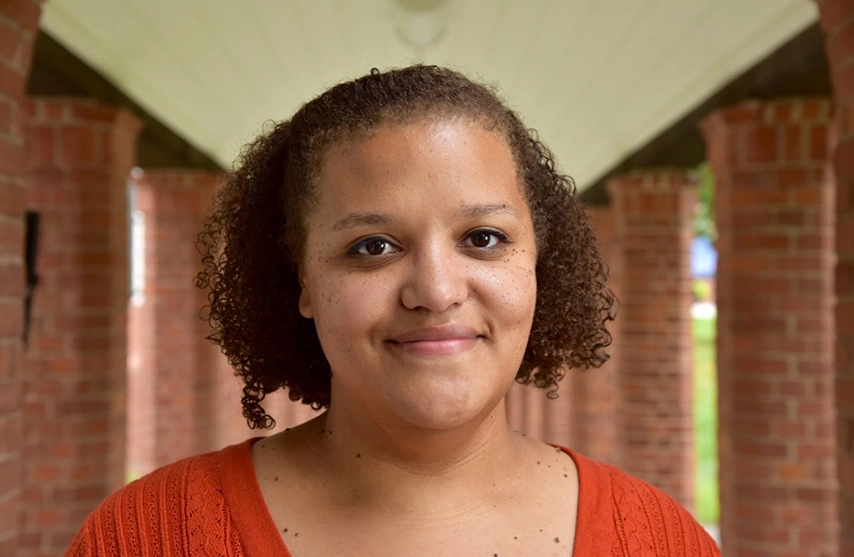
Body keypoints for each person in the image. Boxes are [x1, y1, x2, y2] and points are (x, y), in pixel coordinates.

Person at [65, 65, 720, 557]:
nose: (435, 290)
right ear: (302, 280)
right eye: (372, 246)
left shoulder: (661, 541)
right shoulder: (144, 537)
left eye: (483, 238)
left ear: (538, 266)